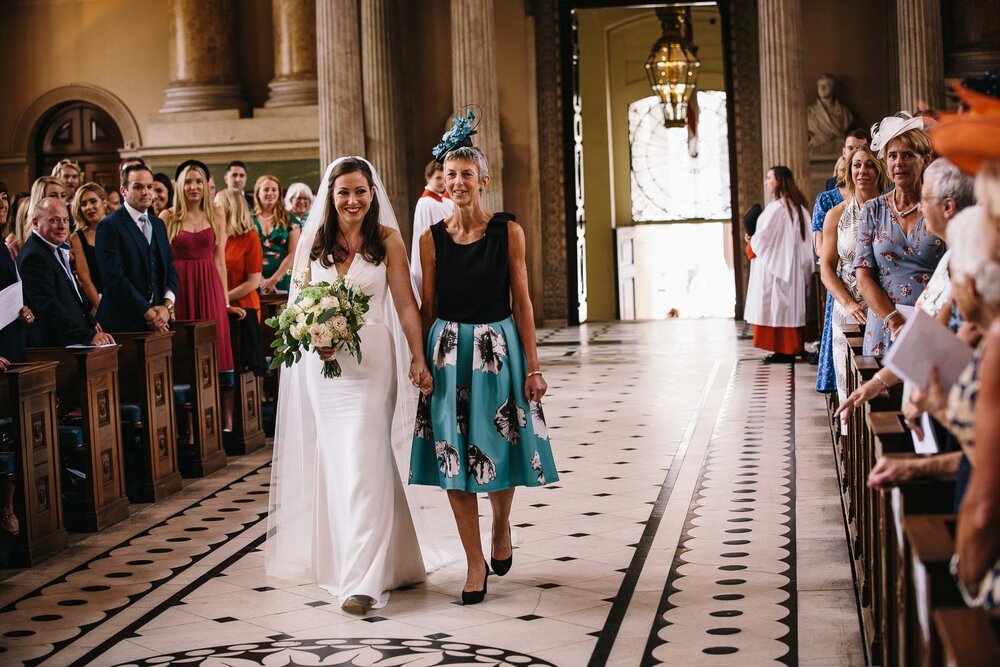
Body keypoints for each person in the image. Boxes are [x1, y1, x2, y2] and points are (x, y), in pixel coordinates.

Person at [265, 157, 456, 615]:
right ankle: (388, 561)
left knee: (366, 459)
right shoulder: (314, 243)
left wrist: (418, 356)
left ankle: (364, 582)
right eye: (344, 193)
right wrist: (313, 335)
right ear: (331, 197)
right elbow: (295, 312)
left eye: (361, 192)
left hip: (372, 364)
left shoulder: (387, 240)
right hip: (325, 370)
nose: (353, 201)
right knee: (342, 464)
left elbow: (407, 306)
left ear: (373, 195)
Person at [409, 141, 558, 606]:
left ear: (483, 181)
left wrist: (533, 366)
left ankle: (501, 524)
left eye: (466, 174)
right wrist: (422, 359)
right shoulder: (429, 238)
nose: (457, 182)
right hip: (448, 352)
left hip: (498, 348)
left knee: (499, 444)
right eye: (450, 174)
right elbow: (428, 305)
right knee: (453, 457)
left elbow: (523, 301)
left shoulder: (507, 231)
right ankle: (475, 563)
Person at [854, 115, 944, 355]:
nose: (899, 163)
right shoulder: (872, 210)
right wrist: (894, 321)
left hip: (935, 322)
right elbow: (863, 278)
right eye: (892, 156)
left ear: (924, 160)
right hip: (886, 325)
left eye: (907, 155)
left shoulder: (941, 207)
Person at [820, 146, 890, 404]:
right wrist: (848, 303)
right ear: (849, 171)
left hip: (884, 306)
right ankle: (850, 435)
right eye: (857, 165)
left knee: (881, 385)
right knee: (847, 381)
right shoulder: (836, 215)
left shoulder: (890, 210)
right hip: (848, 308)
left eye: (869, 165)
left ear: (879, 170)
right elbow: (826, 268)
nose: (863, 171)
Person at [163, 164, 237, 388]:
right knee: (182, 345)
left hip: (209, 284)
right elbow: (163, 263)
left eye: (198, 181)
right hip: (179, 286)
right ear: (179, 186)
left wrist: (224, 301)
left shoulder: (217, 212)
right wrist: (168, 302)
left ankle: (219, 417)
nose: (193, 186)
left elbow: (219, 260)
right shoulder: (168, 216)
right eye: (188, 181)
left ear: (205, 185)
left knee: (214, 342)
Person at [17, 198, 113, 347]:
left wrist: (90, 321)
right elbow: (49, 307)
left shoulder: (56, 248)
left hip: (74, 338)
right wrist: (86, 336)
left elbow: (73, 292)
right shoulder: (34, 256)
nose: (62, 226)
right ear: (35, 223)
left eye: (65, 220)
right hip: (55, 346)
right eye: (54, 220)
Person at [743, 166, 814, 363]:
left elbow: (762, 240)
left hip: (776, 272)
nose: (766, 182)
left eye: (769, 178)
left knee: (778, 309)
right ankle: (788, 349)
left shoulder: (777, 209)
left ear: (779, 181)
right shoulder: (799, 208)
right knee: (787, 310)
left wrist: (750, 242)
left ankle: (785, 350)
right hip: (794, 271)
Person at [96, 164, 178, 334]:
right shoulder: (109, 226)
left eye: (150, 187)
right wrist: (148, 313)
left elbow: (170, 268)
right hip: (122, 325)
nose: (146, 192)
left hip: (159, 321)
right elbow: (114, 278)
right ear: (123, 191)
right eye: (138, 187)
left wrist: (166, 307)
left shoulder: (158, 224)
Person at [216, 189, 265, 431]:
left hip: (244, 308)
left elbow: (253, 281)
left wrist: (222, 298)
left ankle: (236, 423)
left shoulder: (249, 237)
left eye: (218, 205)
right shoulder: (215, 236)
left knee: (237, 363)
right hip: (218, 309)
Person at [410, 160, 454, 288]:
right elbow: (426, 236)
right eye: (438, 178)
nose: (442, 182)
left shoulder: (443, 201)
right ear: (428, 178)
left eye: (444, 178)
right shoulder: (426, 203)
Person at [253, 175, 301, 293]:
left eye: (274, 190)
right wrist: (260, 281)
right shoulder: (248, 220)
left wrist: (273, 280)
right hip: (253, 280)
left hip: (282, 280)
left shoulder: (290, 219)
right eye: (266, 189)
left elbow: (294, 252)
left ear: (279, 194)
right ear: (258, 192)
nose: (270, 193)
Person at [69, 182, 109, 311]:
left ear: (104, 203)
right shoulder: (76, 237)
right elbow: (85, 278)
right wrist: (102, 309)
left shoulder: (119, 229)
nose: (89, 207)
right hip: (95, 303)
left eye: (93, 201)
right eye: (83, 204)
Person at [807, 74, 855, 157]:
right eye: (820, 86)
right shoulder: (809, 112)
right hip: (816, 147)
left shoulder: (845, 112)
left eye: (826, 85)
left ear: (833, 89)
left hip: (838, 146)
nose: (822, 88)